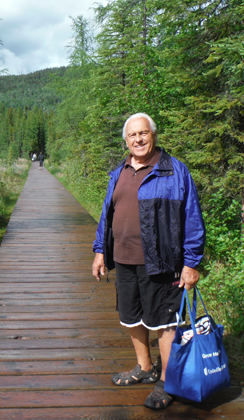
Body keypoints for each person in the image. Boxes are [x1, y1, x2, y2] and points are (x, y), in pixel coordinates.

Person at [91, 112, 205, 410]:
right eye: (132, 135)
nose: (138, 139)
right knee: (131, 316)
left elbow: (192, 219)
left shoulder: (174, 171)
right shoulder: (120, 170)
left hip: (163, 262)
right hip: (124, 259)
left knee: (165, 323)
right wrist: (100, 250)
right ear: (126, 140)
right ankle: (145, 367)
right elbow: (108, 214)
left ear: (153, 135)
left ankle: (166, 381)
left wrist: (191, 263)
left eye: (143, 133)